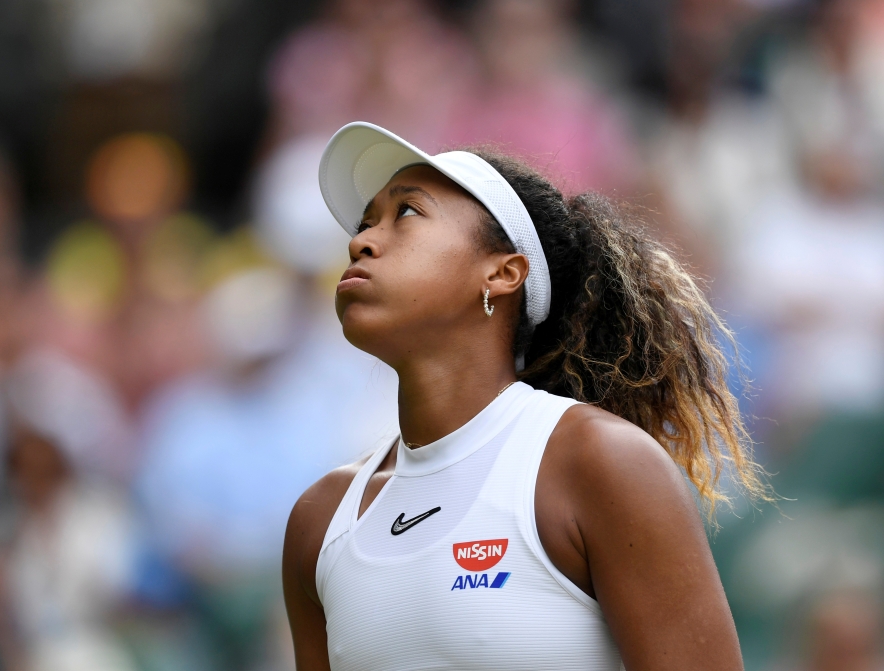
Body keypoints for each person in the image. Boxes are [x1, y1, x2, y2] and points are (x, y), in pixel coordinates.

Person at [282, 122, 769, 670]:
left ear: (502, 273)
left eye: (408, 213)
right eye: (366, 222)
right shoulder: (319, 520)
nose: (360, 241)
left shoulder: (601, 463)